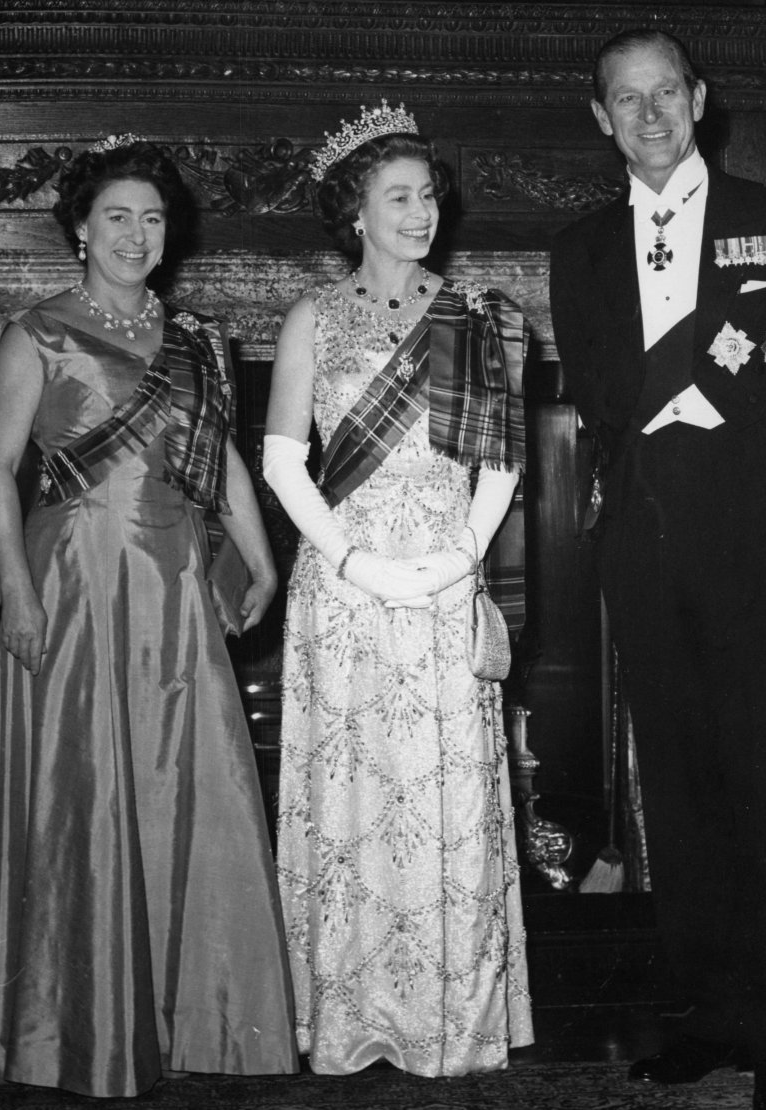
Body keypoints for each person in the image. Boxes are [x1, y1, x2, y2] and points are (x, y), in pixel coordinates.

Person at [0, 136, 297, 1098]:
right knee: (83, 788)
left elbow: (218, 454)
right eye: (117, 217)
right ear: (79, 229)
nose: (137, 234)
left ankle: (208, 1021)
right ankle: (74, 1027)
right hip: (75, 582)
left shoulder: (194, 341)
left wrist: (261, 559)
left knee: (191, 781)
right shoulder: (38, 333)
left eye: (151, 218)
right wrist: (17, 588)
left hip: (176, 578)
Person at [549, 29, 766, 1110]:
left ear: (701, 98)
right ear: (601, 119)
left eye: (665, 93)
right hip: (645, 544)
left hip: (761, 546)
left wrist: (753, 491)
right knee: (675, 787)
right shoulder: (577, 251)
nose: (648, 115)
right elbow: (598, 391)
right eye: (625, 101)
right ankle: (708, 1014)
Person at [263, 102, 534, 1077]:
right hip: (346, 578)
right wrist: (356, 562)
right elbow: (286, 463)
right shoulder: (314, 317)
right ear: (356, 210)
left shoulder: (476, 317)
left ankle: (444, 1024)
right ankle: (351, 1016)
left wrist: (461, 556)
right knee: (356, 800)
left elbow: (502, 464)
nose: (422, 213)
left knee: (443, 793)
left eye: (429, 195)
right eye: (400, 196)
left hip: (445, 570)